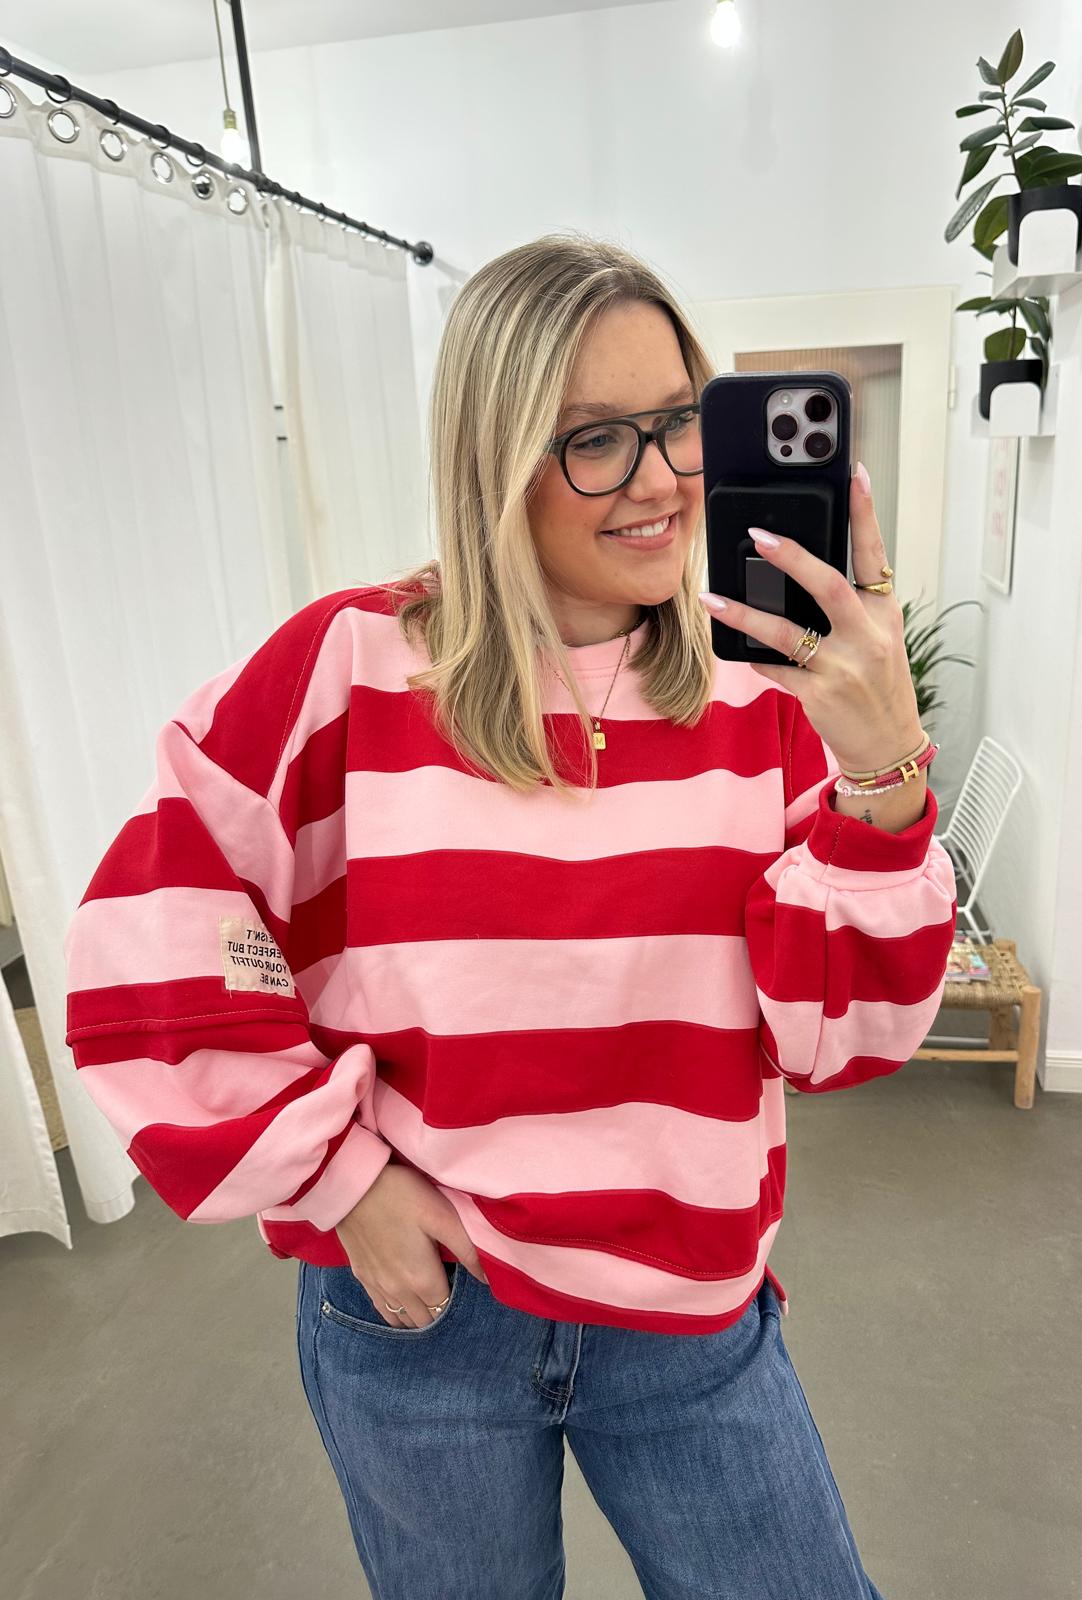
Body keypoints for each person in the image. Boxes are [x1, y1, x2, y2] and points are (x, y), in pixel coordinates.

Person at [63, 232, 957, 1600]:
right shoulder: (347, 669)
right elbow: (150, 942)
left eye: (679, 421)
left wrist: (882, 770)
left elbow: (843, 1043)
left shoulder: (767, 701)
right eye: (595, 438)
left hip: (688, 1311)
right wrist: (341, 1182)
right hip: (425, 1315)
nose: (659, 480)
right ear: (494, 457)